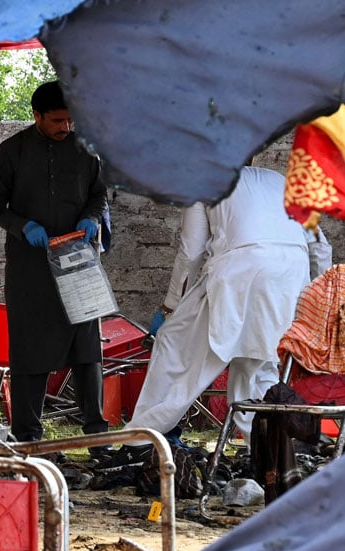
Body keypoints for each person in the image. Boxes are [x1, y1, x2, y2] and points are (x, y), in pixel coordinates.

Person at [116, 165, 332, 462]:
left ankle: (141, 436)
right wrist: (319, 298)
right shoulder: (279, 180)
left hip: (240, 273)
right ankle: (267, 451)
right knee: (258, 364)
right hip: (291, 276)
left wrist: (171, 306)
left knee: (177, 349)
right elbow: (320, 247)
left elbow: (191, 252)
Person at [0, 80, 111, 456]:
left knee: (87, 347)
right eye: (57, 120)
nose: (65, 127)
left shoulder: (87, 150)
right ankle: (28, 437)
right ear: (36, 116)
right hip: (30, 265)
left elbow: (99, 193)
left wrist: (91, 218)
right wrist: (25, 227)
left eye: (71, 120)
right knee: (29, 346)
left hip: (77, 261)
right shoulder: (11, 152)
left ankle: (97, 437)